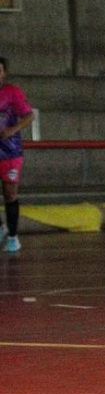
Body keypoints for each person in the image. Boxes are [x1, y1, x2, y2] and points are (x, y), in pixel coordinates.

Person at [0, 57, 35, 254]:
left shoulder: (13, 93)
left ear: (4, 73)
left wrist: (13, 130)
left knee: (10, 192)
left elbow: (30, 115)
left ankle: (13, 237)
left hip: (9, 151)